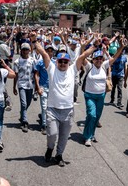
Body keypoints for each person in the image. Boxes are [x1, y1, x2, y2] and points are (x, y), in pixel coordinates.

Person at [31, 32, 91, 167]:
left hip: (68, 111)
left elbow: (82, 56)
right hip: (52, 110)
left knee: (64, 137)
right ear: (56, 61)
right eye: (60, 61)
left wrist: (96, 46)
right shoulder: (51, 68)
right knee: (52, 134)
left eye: (65, 61)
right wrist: (34, 40)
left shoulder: (72, 70)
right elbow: (44, 53)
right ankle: (50, 148)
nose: (63, 63)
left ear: (69, 62)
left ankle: (59, 155)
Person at [82, 37, 127, 147]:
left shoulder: (104, 65)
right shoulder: (89, 66)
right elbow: (82, 56)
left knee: (96, 117)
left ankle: (91, 134)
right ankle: (87, 137)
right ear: (93, 59)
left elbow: (115, 57)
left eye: (101, 58)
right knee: (91, 115)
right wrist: (89, 45)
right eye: (96, 58)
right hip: (89, 96)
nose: (99, 60)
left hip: (101, 96)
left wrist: (121, 47)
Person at [13, 42, 36, 133]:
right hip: (21, 85)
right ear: (21, 51)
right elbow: (16, 75)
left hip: (30, 85)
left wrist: (37, 87)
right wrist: (14, 87)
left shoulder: (32, 60)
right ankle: (24, 122)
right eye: (24, 50)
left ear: (29, 51)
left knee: (28, 103)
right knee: (23, 103)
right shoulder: (17, 62)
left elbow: (35, 73)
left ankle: (22, 113)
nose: (25, 51)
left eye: (27, 49)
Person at [34, 44, 55, 135]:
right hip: (43, 87)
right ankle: (44, 125)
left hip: (52, 89)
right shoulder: (40, 62)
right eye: (48, 51)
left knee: (50, 108)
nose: (49, 53)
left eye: (51, 51)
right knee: (44, 107)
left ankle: (50, 123)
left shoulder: (56, 62)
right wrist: (38, 87)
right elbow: (36, 75)